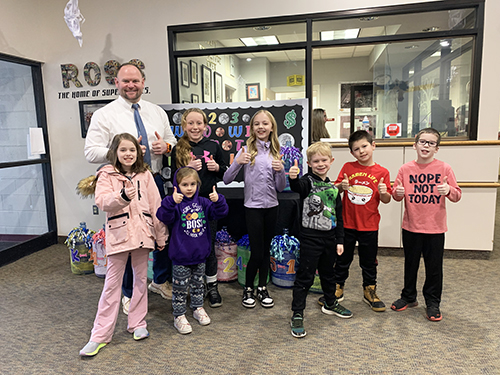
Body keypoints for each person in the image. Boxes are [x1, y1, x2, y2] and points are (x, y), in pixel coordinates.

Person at [84, 63, 177, 313]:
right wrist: (124, 151)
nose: (131, 86)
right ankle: (127, 292)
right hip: (122, 184)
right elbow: (90, 152)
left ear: (143, 82)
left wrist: (166, 148)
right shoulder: (105, 115)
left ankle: (159, 280)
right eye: (125, 81)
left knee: (159, 229)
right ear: (116, 83)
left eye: (135, 81)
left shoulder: (157, 111)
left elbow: (171, 140)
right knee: (125, 238)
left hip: (153, 179)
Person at [80, 133, 168, 356]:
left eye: (132, 150)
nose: (128, 154)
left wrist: (160, 236)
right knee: (112, 285)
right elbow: (103, 202)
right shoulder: (106, 174)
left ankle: (138, 323)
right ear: (115, 153)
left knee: (141, 280)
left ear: (138, 152)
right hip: (119, 237)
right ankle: (100, 335)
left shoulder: (145, 175)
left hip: (143, 235)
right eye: (123, 150)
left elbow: (156, 206)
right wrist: (122, 196)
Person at [391, 128, 461, 321]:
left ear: (436, 148)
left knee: (434, 267)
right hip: (411, 226)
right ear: (415, 145)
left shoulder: (445, 169)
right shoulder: (405, 169)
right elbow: (396, 194)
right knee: (410, 264)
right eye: (423, 142)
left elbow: (457, 195)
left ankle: (432, 301)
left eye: (431, 143)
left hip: (435, 228)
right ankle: (408, 296)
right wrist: (397, 193)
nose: (426, 146)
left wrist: (448, 190)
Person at [319, 130, 392, 312]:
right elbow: (335, 189)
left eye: (365, 146)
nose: (361, 151)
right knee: (342, 258)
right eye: (356, 149)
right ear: (352, 152)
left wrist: (383, 192)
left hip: (369, 224)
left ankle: (370, 290)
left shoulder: (382, 172)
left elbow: (386, 199)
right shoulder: (348, 167)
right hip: (347, 224)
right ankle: (338, 287)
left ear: (373, 146)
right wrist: (340, 187)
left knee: (368, 261)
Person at [288, 142, 352, 338]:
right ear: (309, 163)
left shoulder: (333, 188)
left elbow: (339, 217)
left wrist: (340, 240)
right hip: (310, 239)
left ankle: (330, 302)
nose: (320, 164)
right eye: (316, 161)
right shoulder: (307, 182)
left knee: (328, 274)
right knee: (305, 277)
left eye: (324, 160)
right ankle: (297, 312)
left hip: (330, 239)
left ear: (331, 161)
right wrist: (292, 177)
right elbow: (297, 187)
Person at [223, 110, 286, 309]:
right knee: (256, 252)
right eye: (257, 124)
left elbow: (281, 187)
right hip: (253, 208)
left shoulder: (276, 151)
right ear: (252, 128)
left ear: (271, 127)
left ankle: (262, 288)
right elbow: (226, 179)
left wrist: (281, 170)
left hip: (272, 207)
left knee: (265, 251)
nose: (261, 127)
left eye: (265, 124)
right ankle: (248, 287)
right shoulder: (245, 150)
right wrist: (236, 163)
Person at [156, 167, 228, 334]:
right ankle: (179, 315)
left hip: (200, 255)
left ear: (198, 184)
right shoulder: (175, 204)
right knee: (180, 289)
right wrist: (171, 201)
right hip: (181, 257)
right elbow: (163, 216)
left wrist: (219, 200)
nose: (189, 188)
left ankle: (197, 307)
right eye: (184, 184)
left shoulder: (203, 203)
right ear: (177, 186)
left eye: (192, 184)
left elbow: (220, 212)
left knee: (198, 286)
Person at [170, 108, 228, 308]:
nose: (195, 127)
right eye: (191, 123)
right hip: (185, 207)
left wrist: (217, 168)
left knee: (208, 245)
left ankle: (211, 285)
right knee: (187, 243)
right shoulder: (178, 147)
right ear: (184, 125)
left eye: (199, 123)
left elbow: (226, 174)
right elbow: (172, 178)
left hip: (208, 204)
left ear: (205, 126)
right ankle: (190, 284)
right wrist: (187, 170)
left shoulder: (213, 145)